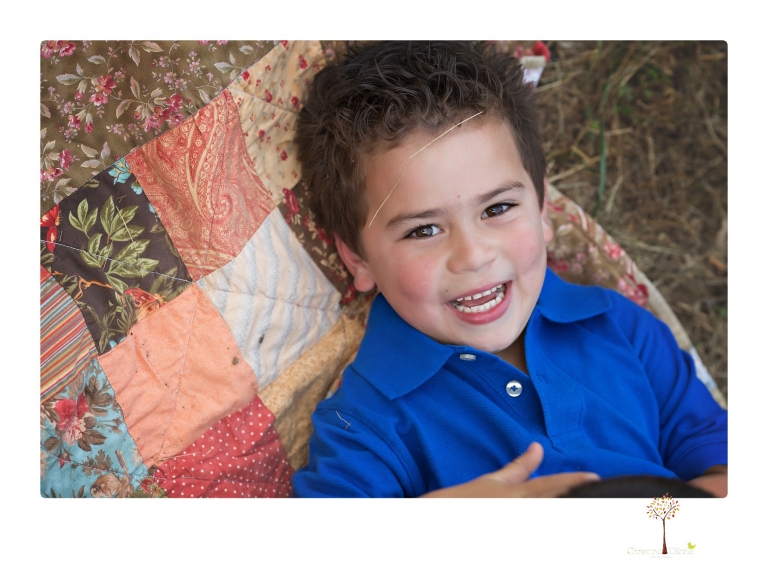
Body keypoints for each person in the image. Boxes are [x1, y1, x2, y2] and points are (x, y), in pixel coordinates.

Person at [290, 41, 727, 498]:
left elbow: (721, 462)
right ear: (358, 258)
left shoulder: (618, 324)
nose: (474, 256)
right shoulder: (362, 426)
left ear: (541, 208)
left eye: (497, 208)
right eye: (422, 231)